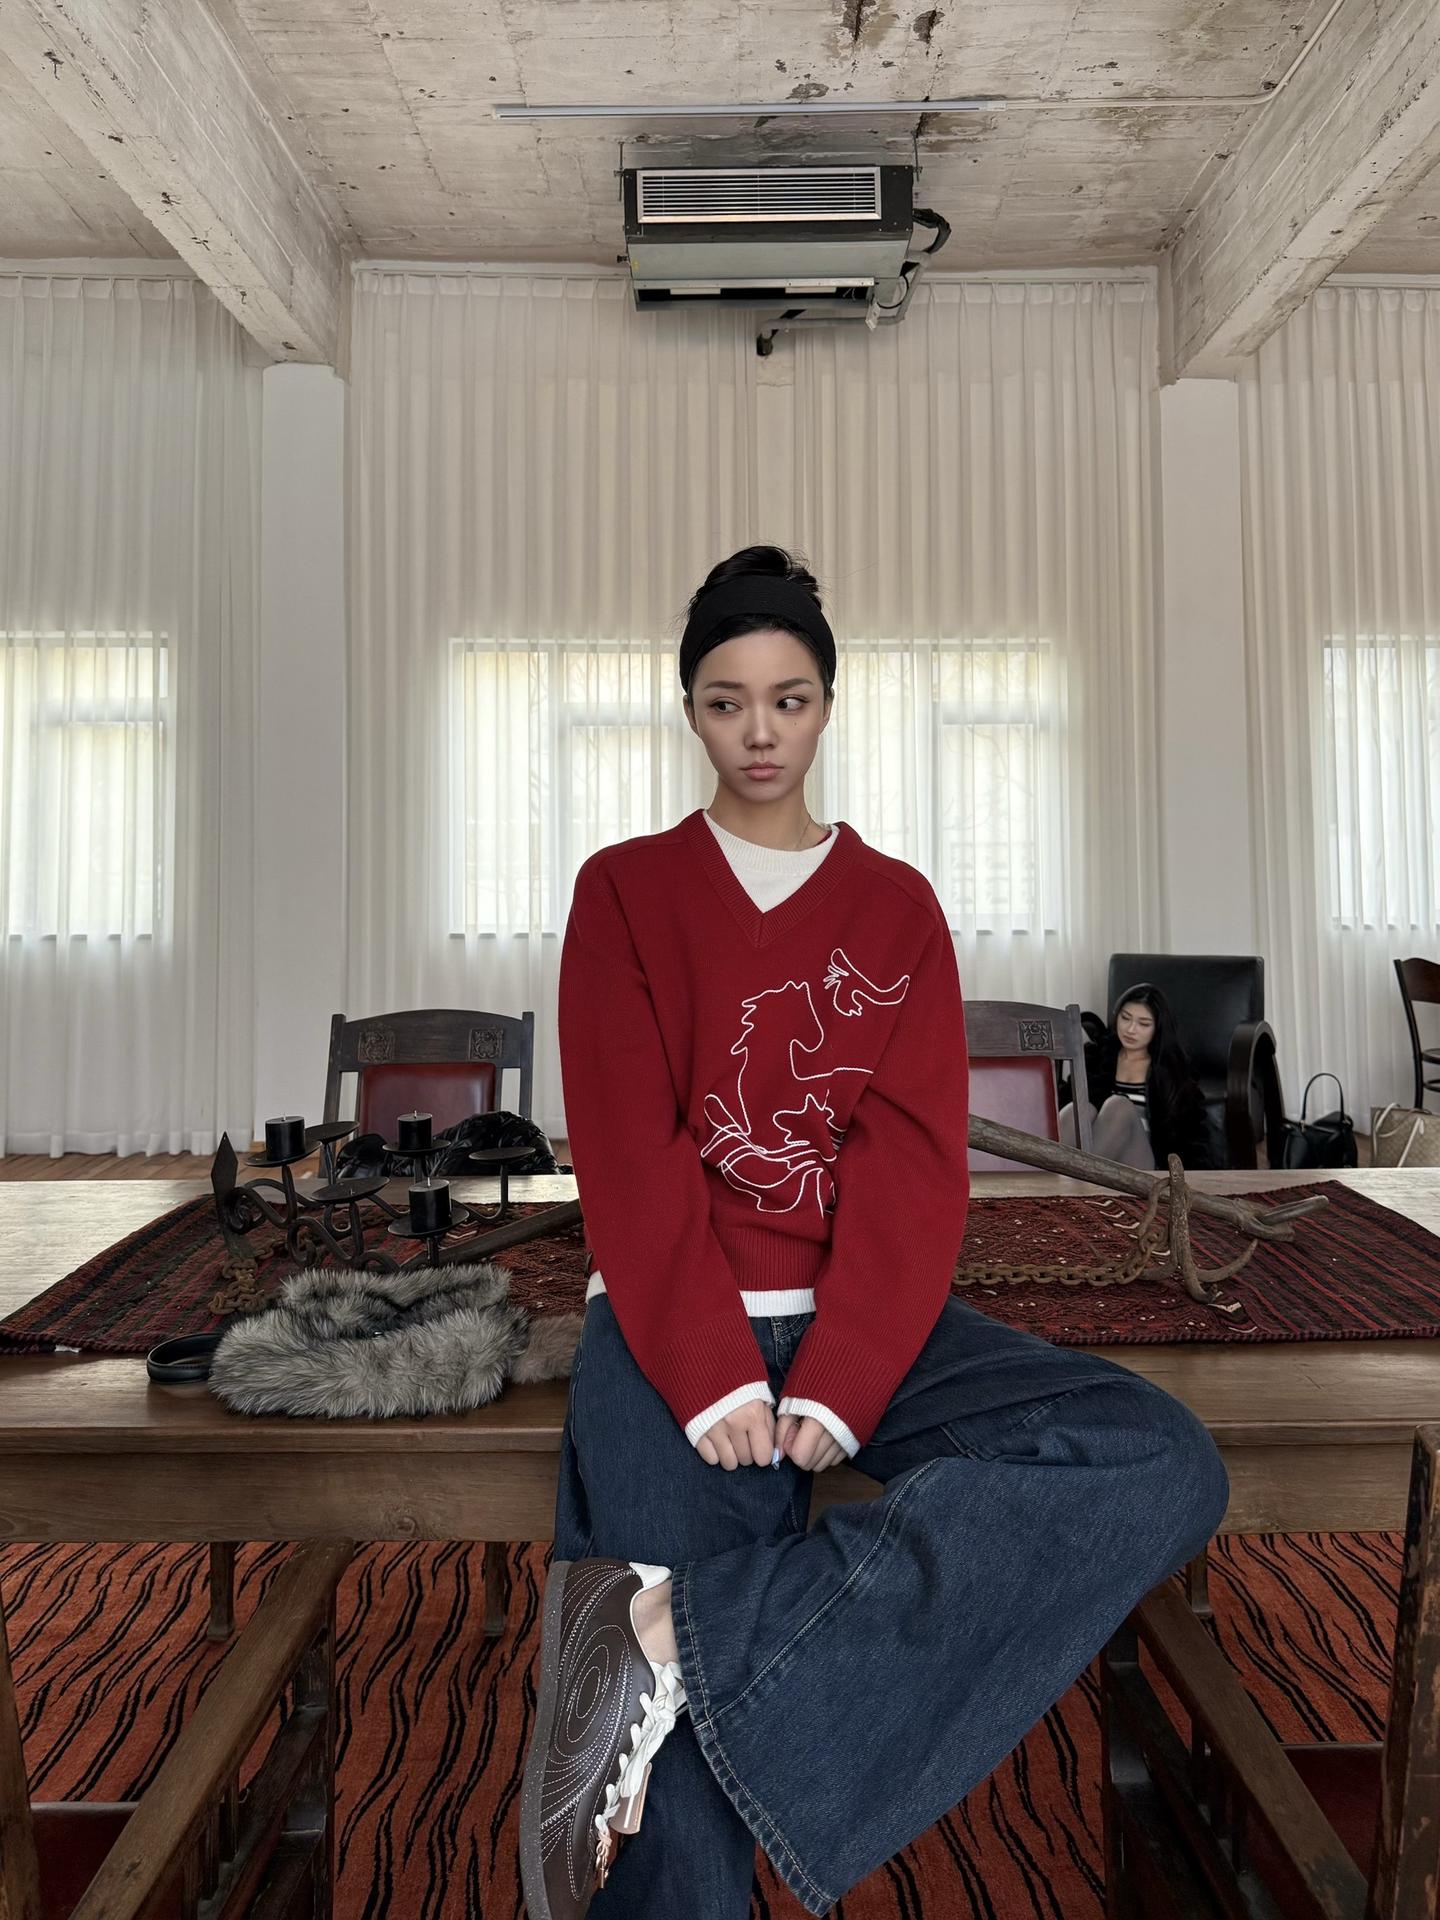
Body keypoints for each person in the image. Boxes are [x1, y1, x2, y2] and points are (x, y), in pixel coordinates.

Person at [518, 546, 1229, 1920]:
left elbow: (910, 1168)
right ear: (689, 710)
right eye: (727, 701)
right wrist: (711, 1372)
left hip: (865, 1329)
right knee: (679, 1821)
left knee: (1161, 1461)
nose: (760, 731)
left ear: (828, 706)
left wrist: (843, 1382)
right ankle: (684, 1664)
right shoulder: (626, 891)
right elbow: (627, 1150)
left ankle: (673, 1631)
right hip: (675, 1339)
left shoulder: (896, 908)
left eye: (788, 700)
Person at [1060, 983, 1213, 1171]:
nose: (1131, 1029)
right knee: (1077, 1110)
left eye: (1144, 1024)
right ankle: (1041, 1183)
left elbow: (1193, 1138)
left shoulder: (1172, 1071)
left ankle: (1072, 1183)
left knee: (1119, 1106)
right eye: (1125, 1018)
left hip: (1145, 1167)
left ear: (1157, 1028)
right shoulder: (1097, 1057)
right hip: (1099, 1155)